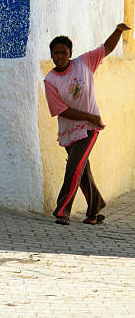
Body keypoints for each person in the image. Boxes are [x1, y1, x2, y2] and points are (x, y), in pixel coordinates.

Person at [44, 23, 130, 225]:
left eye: (63, 53)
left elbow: (106, 49)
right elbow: (62, 110)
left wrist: (117, 31)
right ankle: (94, 210)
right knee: (82, 172)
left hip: (89, 130)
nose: (60, 57)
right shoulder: (50, 80)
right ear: (51, 55)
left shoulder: (84, 63)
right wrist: (88, 116)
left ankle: (63, 211)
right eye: (56, 53)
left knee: (74, 168)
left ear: (70, 53)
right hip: (68, 131)